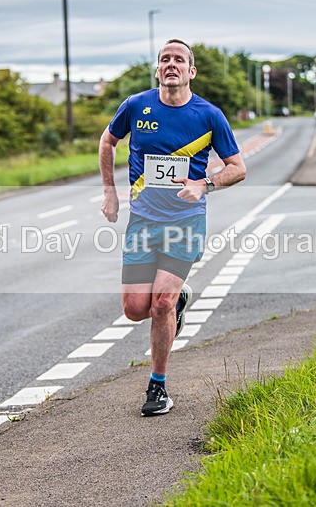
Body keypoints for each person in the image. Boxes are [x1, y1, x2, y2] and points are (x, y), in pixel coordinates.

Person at [99, 39, 246, 416]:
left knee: (160, 303)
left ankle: (158, 386)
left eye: (179, 60)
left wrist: (204, 184)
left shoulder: (209, 115)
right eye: (165, 59)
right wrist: (109, 193)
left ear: (190, 71)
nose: (171, 64)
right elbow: (108, 141)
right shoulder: (135, 106)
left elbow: (237, 167)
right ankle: (179, 301)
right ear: (158, 69)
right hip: (144, 222)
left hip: (185, 221)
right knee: (135, 309)